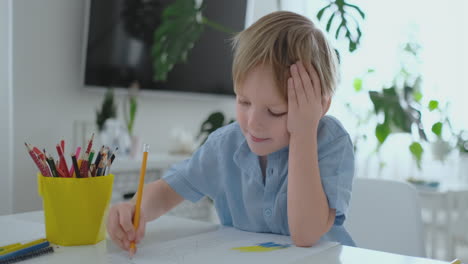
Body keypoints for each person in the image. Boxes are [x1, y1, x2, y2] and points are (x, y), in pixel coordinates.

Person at [107, 11, 355, 255]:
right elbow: (165, 192)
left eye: (276, 111)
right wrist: (132, 210)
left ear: (320, 107)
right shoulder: (225, 144)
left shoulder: (330, 141)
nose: (254, 123)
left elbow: (305, 234)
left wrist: (303, 133)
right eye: (244, 102)